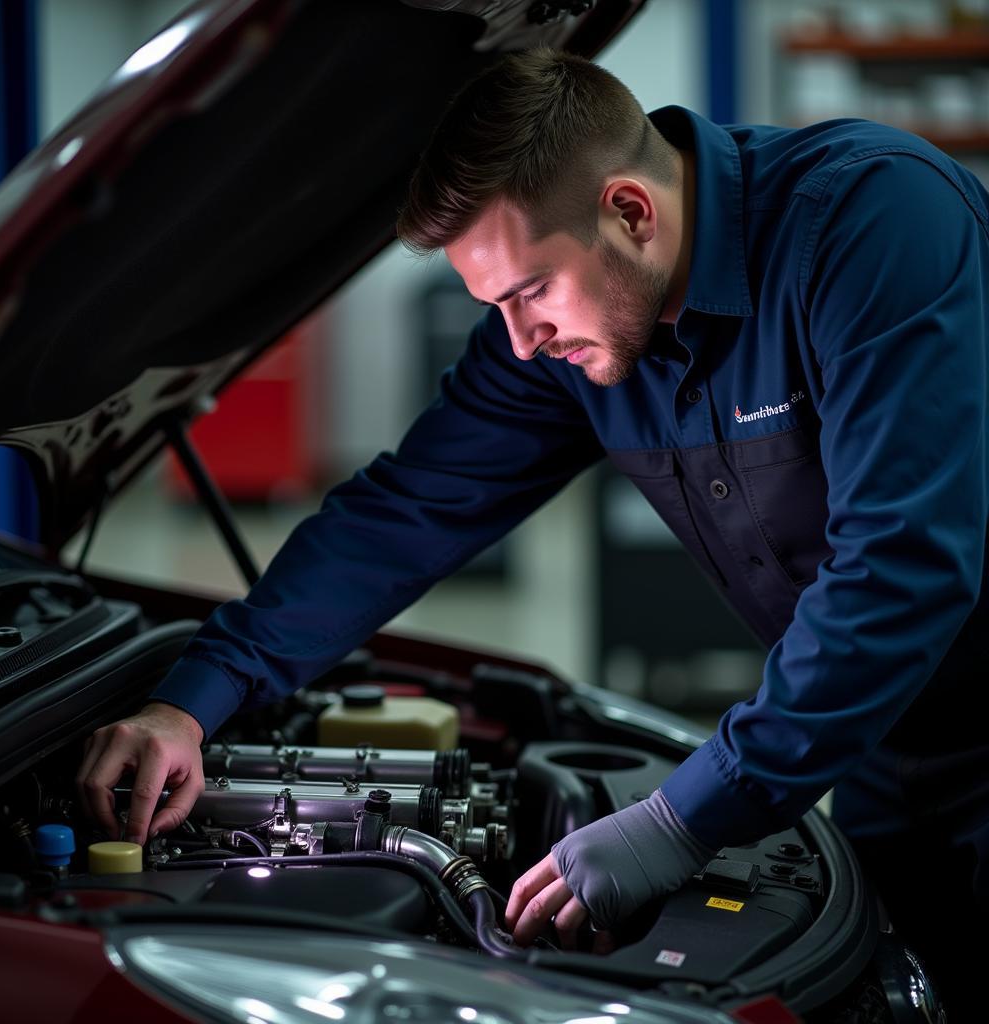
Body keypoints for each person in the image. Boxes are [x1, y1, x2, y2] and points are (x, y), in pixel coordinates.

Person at [77, 49, 988, 1010]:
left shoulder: (874, 223)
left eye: (530, 292)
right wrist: (195, 697)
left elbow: (901, 570)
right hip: (882, 745)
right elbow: (404, 514)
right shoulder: (564, 330)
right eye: (495, 306)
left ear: (630, 212)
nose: (520, 341)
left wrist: (687, 816)